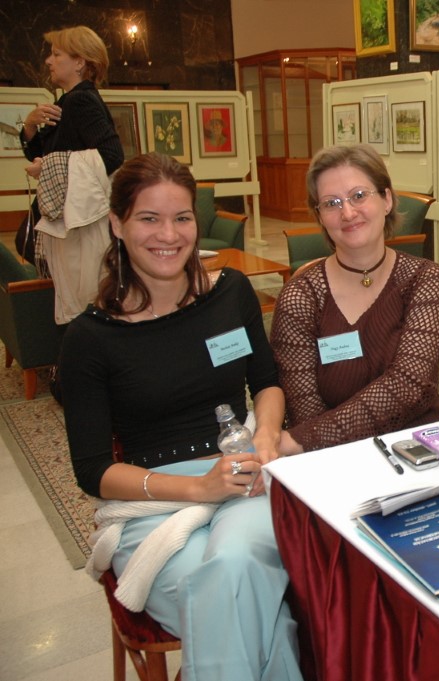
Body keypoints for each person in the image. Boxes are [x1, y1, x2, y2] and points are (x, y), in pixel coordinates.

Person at [60, 153, 301, 680]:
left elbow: (266, 382)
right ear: (117, 224)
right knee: (243, 595)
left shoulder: (231, 293)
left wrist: (265, 435)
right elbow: (93, 470)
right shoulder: (90, 338)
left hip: (243, 479)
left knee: (232, 569)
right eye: (149, 218)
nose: (168, 235)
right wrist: (198, 488)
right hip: (153, 500)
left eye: (182, 218)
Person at [271, 144, 439, 455]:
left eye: (358, 195)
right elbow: (305, 410)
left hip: (421, 449)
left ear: (386, 199)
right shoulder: (300, 298)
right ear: (319, 215)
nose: (348, 213)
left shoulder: (425, 279)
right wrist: (321, 444)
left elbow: (411, 384)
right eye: (331, 203)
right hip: (336, 459)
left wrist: (300, 440)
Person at [20, 25, 124, 325]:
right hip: (70, 216)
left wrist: (50, 166)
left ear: (79, 62)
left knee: (84, 299)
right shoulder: (68, 100)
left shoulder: (80, 100)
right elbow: (43, 151)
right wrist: (29, 126)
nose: (48, 61)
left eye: (56, 54)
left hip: (79, 221)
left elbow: (112, 155)